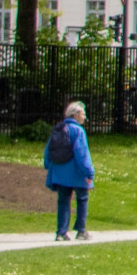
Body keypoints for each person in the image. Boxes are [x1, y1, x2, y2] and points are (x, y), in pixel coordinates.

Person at [45, 102, 94, 242]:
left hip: (60, 172)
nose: (84, 117)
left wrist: (49, 166)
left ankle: (61, 233)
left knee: (63, 201)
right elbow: (82, 154)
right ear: (76, 115)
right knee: (82, 199)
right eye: (83, 114)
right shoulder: (78, 131)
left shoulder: (58, 129)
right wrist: (89, 172)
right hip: (77, 173)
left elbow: (48, 150)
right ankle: (81, 231)